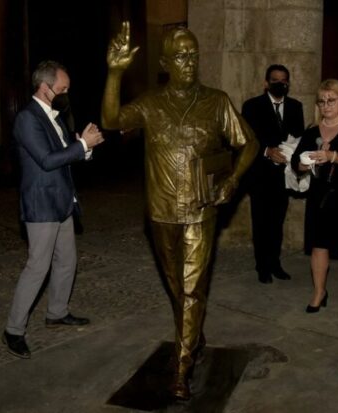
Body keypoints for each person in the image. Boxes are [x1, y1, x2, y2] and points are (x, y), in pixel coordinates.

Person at [101, 22, 258, 400]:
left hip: (200, 212)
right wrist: (115, 73)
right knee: (179, 289)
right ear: (166, 62)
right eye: (182, 56)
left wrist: (233, 180)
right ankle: (195, 337)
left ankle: (182, 366)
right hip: (160, 211)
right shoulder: (151, 103)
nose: (190, 62)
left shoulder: (217, 101)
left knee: (191, 290)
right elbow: (111, 121)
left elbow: (249, 143)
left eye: (194, 55)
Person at [3, 60, 104, 359]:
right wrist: (81, 145)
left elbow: (63, 156)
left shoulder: (56, 116)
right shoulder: (27, 118)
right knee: (37, 268)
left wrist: (84, 149)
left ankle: (57, 313)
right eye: (62, 89)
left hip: (62, 200)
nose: (65, 93)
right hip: (42, 204)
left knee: (67, 262)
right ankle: (13, 330)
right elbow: (46, 161)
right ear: (44, 88)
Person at [291, 79, 338, 329]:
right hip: (319, 198)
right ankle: (319, 293)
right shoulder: (313, 131)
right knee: (319, 247)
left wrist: (332, 155)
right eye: (322, 101)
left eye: (331, 100)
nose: (326, 106)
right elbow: (295, 163)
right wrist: (306, 162)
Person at [241, 64, 305, 284]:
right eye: (276, 80)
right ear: (266, 83)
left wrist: (291, 153)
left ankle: (275, 262)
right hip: (260, 174)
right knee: (260, 221)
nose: (280, 83)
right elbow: (247, 140)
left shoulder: (296, 106)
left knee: (277, 221)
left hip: (283, 175)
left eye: (284, 80)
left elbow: (299, 136)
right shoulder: (252, 106)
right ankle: (262, 266)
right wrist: (268, 151)